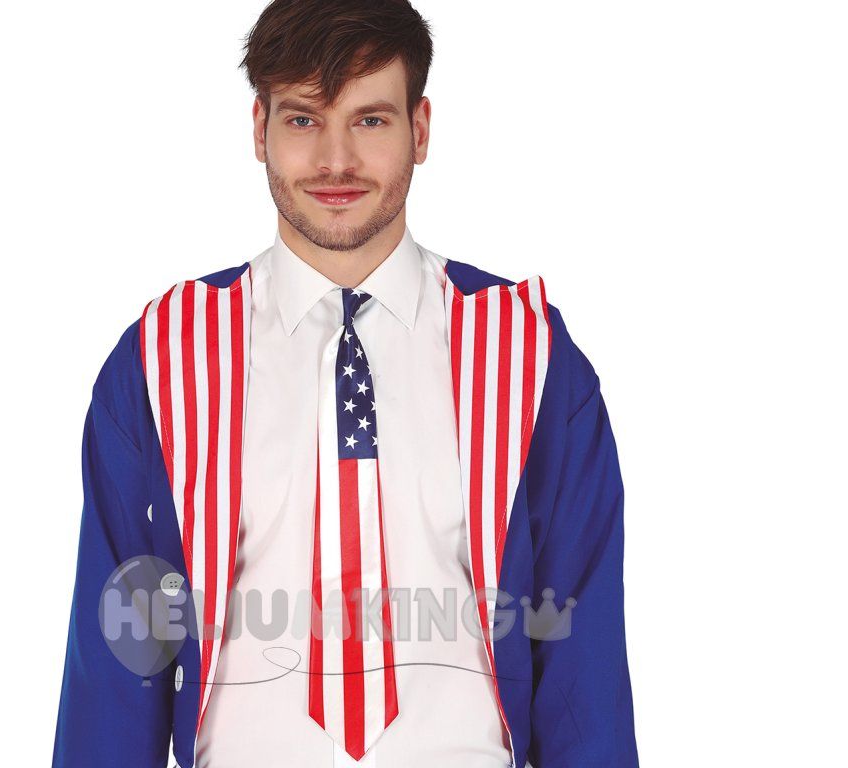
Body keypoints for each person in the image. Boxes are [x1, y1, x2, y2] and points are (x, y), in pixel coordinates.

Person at [51, 2, 639, 767]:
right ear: (259, 127)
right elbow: (116, 671)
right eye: (303, 119)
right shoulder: (164, 359)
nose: (336, 160)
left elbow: (583, 665)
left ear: (420, 128)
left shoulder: (529, 356)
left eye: (369, 120)